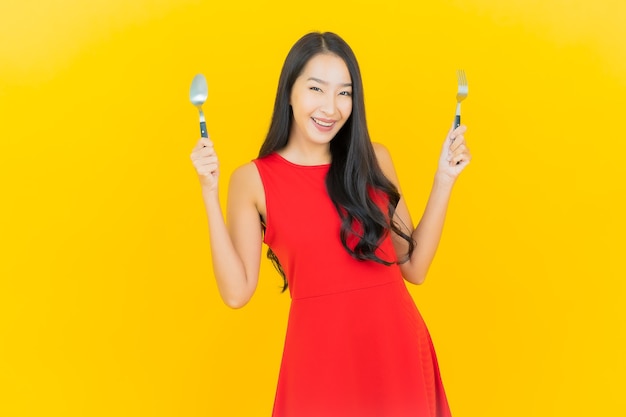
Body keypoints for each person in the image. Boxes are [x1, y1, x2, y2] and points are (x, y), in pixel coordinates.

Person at [190, 32, 470, 417]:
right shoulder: (252, 180)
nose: (331, 107)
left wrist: (444, 179)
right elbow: (237, 293)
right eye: (316, 89)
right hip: (319, 364)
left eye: (344, 93)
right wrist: (209, 191)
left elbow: (414, 269)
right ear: (289, 92)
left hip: (397, 354)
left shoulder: (374, 159)